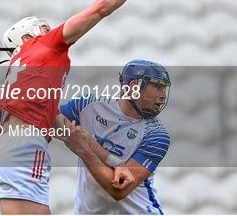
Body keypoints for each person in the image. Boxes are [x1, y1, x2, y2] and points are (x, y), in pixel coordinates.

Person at [0, 0, 169, 214]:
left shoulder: (21, 68)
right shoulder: (46, 46)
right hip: (25, 150)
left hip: (1, 154)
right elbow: (101, 7)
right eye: (43, 28)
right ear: (27, 37)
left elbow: (48, 117)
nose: (50, 31)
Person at [58, 59, 171, 215]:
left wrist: (84, 150)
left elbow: (118, 190)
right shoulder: (87, 106)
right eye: (158, 87)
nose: (163, 96)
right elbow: (48, 119)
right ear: (134, 87)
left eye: (164, 89)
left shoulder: (157, 135)